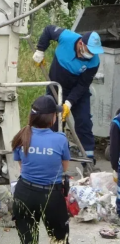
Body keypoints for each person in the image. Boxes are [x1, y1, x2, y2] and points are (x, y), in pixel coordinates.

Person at [33, 26, 104, 174]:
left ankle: (88, 163)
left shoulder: (94, 62)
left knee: (84, 122)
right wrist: (40, 50)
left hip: (78, 93)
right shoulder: (67, 37)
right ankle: (52, 162)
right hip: (56, 88)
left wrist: (69, 103)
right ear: (81, 44)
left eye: (94, 52)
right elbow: (48, 30)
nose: (92, 54)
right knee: (54, 124)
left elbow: (83, 85)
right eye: (90, 50)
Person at [12, 95, 70, 244]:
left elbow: (22, 166)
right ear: (52, 118)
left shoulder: (21, 136)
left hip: (24, 193)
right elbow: (64, 168)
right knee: (59, 240)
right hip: (51, 196)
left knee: (28, 240)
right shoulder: (60, 139)